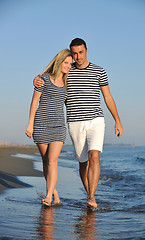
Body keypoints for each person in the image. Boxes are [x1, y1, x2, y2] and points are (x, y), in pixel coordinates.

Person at [34, 38, 123, 209]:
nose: (77, 56)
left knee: (94, 157)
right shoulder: (67, 70)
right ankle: (89, 195)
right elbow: (49, 77)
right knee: (83, 162)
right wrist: (36, 80)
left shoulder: (99, 71)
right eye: (74, 53)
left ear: (87, 51)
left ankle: (91, 197)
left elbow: (108, 97)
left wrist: (117, 120)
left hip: (96, 119)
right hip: (75, 122)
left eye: (81, 52)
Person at [25, 49, 73, 206]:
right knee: (46, 162)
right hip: (41, 125)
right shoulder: (43, 79)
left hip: (59, 127)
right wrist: (30, 124)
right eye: (66, 63)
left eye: (70, 64)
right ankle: (55, 193)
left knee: (52, 161)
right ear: (59, 62)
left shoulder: (67, 82)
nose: (68, 66)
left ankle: (48, 196)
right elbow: (34, 102)